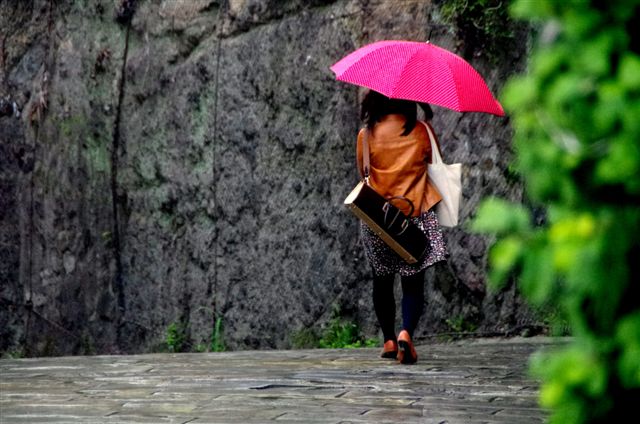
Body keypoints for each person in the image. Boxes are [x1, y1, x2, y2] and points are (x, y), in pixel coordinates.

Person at [356, 90, 447, 364]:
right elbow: (436, 165)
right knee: (413, 282)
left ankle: (388, 339)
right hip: (414, 217)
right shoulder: (421, 132)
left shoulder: (366, 135)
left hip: (378, 220)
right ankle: (406, 332)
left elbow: (363, 173)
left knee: (382, 281)